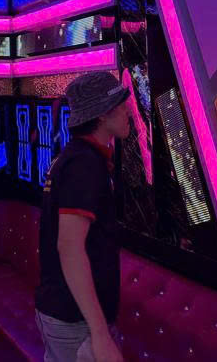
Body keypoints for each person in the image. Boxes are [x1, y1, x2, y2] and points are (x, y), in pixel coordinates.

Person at [35, 71, 131, 362]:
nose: (128, 112)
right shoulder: (83, 165)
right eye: (121, 105)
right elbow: (70, 249)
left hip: (68, 314)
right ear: (102, 114)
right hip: (75, 321)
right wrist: (99, 332)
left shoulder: (78, 158)